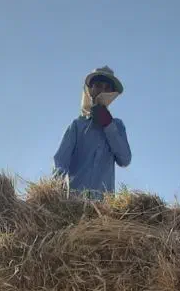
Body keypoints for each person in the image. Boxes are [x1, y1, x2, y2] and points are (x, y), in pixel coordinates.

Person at [53, 66, 131, 197]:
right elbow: (60, 161)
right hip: (74, 203)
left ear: (112, 93)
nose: (102, 91)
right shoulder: (77, 126)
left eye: (107, 88)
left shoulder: (117, 126)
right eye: (99, 86)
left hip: (104, 207)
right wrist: (57, 191)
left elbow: (125, 159)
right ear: (90, 89)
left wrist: (108, 124)